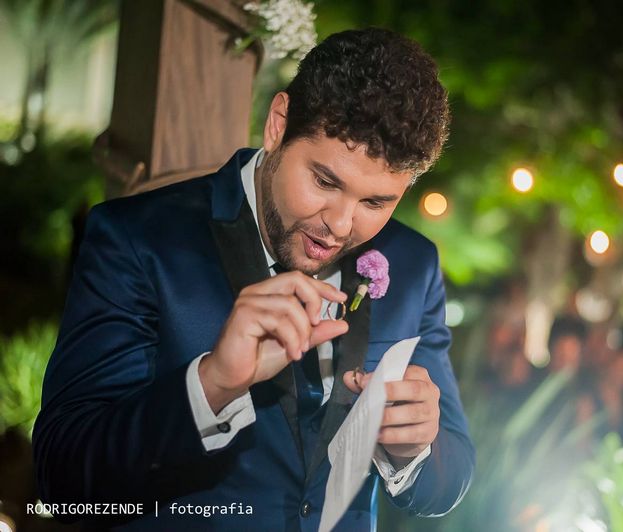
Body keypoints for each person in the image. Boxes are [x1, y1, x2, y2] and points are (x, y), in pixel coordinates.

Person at [32, 28, 474, 531]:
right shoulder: (139, 239)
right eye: (324, 181)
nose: (340, 225)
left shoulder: (414, 264)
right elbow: (61, 478)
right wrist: (212, 384)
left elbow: (452, 476)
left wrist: (415, 450)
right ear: (277, 125)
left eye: (375, 202)